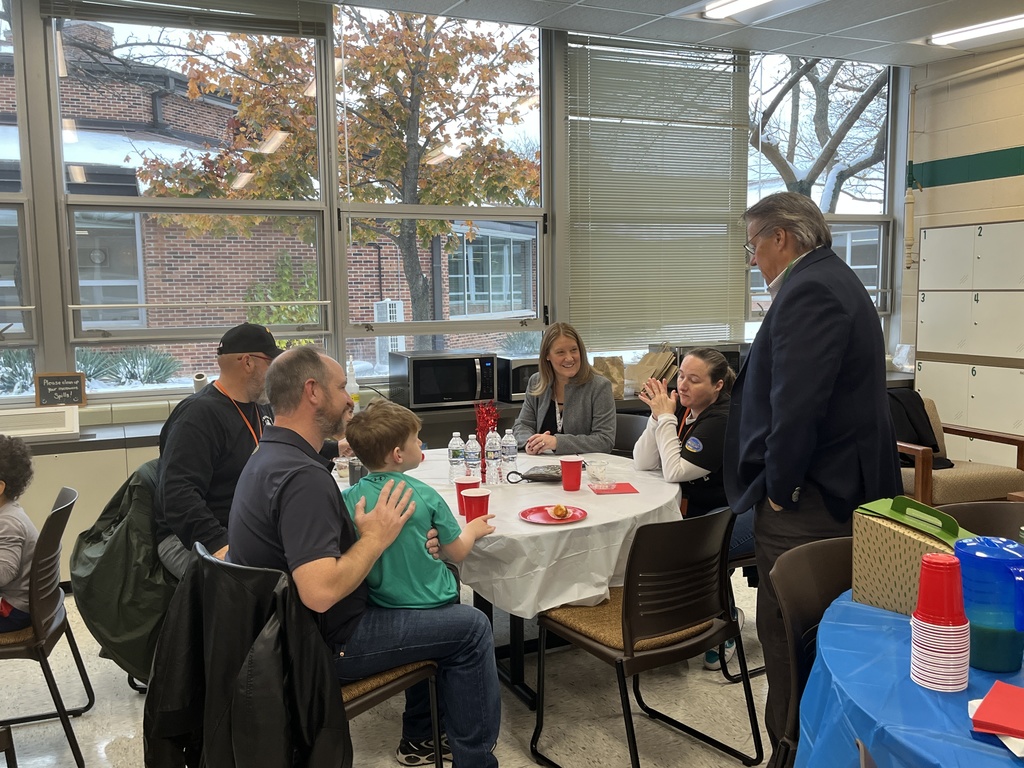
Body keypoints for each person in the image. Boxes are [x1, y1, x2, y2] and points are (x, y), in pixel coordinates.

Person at [228, 346, 501, 768]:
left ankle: (423, 737)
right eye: (341, 388)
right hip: (317, 645)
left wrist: (401, 540)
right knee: (471, 627)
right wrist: (378, 536)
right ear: (312, 391)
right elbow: (319, 593)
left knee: (426, 608)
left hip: (275, 635)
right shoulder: (303, 479)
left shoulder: (269, 456)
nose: (349, 400)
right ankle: (476, 761)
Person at [723, 192, 901, 753]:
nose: (754, 259)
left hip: (810, 503)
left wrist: (780, 488)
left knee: (790, 636)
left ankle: (794, 750)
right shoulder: (835, 279)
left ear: (782, 237)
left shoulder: (811, 291)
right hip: (834, 492)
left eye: (754, 246)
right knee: (820, 633)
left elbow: (798, 406)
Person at [632, 347, 753, 671]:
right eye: (681, 376)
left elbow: (674, 471)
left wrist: (667, 418)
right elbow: (644, 462)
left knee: (697, 549)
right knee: (670, 540)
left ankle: (724, 619)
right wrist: (657, 418)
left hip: (736, 511)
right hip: (702, 508)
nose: (682, 385)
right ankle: (697, 617)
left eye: (694, 380)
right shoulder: (688, 410)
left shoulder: (720, 420)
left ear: (716, 386)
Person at [153, 322, 282, 578]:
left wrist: (336, 448)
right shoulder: (199, 416)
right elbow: (178, 495)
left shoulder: (260, 407)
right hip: (193, 539)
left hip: (245, 528)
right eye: (271, 363)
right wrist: (219, 544)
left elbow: (283, 446)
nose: (276, 373)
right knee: (266, 590)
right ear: (247, 362)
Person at [344, 399, 495, 609]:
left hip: (380, 600)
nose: (419, 442)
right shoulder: (425, 494)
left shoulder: (348, 497)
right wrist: (472, 529)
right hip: (433, 596)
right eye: (415, 439)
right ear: (398, 455)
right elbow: (457, 552)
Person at [513, 322, 616, 455]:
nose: (569, 358)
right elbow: (522, 425)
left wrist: (556, 442)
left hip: (582, 469)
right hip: (540, 466)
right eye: (560, 352)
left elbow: (604, 441)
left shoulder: (599, 387)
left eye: (574, 350)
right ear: (547, 356)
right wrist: (531, 443)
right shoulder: (536, 382)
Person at [0, 435, 39, 633]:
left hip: (13, 611)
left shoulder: (8, 522)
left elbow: (5, 572)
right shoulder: (9, 511)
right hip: (21, 604)